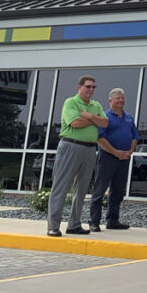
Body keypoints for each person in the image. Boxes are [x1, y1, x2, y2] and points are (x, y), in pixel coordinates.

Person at [47, 75, 107, 237]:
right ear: (79, 87)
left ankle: (74, 224)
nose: (91, 90)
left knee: (81, 189)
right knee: (61, 186)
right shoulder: (70, 102)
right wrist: (95, 119)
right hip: (70, 146)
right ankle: (53, 226)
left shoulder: (96, 105)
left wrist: (89, 117)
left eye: (93, 87)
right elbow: (74, 123)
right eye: (88, 86)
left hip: (89, 149)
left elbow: (105, 123)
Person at [89, 87, 137, 232]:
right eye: (118, 98)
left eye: (122, 98)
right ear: (110, 100)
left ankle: (112, 220)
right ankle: (94, 221)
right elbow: (99, 138)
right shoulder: (104, 117)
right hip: (107, 157)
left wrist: (130, 151)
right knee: (100, 189)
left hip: (124, 158)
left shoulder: (128, 117)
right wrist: (115, 152)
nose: (121, 100)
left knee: (118, 190)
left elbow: (134, 136)